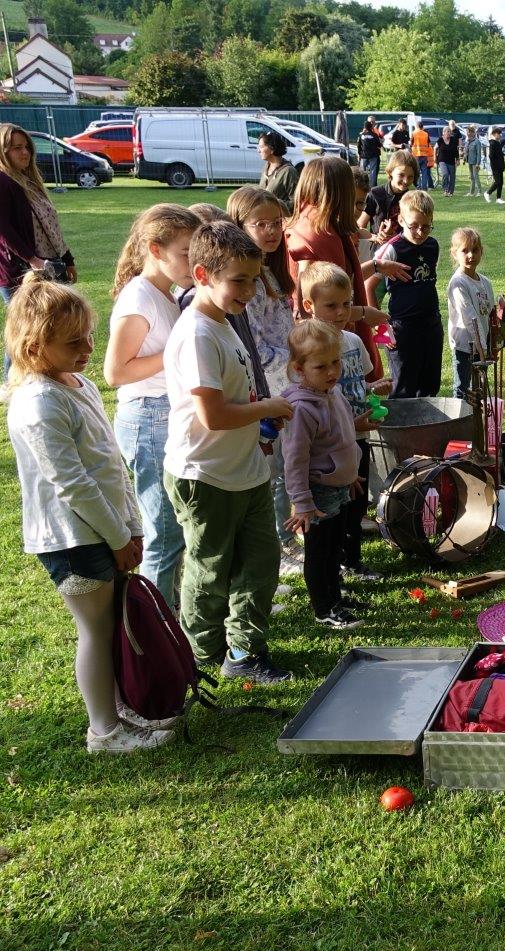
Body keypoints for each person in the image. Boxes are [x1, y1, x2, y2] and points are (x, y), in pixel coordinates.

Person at [5, 272, 174, 754]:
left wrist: (130, 527)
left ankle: (122, 711)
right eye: (72, 342)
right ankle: (104, 730)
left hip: (108, 529)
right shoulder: (39, 403)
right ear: (35, 347)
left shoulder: (76, 383)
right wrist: (117, 537)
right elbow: (73, 483)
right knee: (96, 633)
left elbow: (109, 464)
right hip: (71, 536)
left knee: (113, 626)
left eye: (89, 337)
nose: (87, 349)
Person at [162, 221, 295, 685]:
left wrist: (261, 422)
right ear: (202, 273)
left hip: (246, 469)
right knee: (211, 571)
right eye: (238, 280)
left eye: (255, 278)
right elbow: (213, 416)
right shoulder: (198, 333)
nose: (250, 289)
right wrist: (269, 406)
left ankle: (244, 652)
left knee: (260, 563)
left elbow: (234, 400)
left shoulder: (223, 321)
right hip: (205, 475)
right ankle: (200, 654)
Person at [104, 203, 201, 609]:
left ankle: (172, 616)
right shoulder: (140, 297)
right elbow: (116, 371)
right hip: (148, 417)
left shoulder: (168, 293)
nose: (192, 263)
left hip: (167, 413)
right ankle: (158, 633)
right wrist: (177, 353)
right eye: (185, 253)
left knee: (175, 530)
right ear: (155, 250)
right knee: (163, 534)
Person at [300, 261, 389, 585]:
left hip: (359, 439)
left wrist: (373, 389)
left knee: (357, 503)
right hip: (331, 446)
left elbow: (357, 384)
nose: (340, 312)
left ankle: (353, 560)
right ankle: (333, 565)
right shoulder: (308, 349)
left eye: (346, 304)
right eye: (331, 305)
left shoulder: (352, 341)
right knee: (334, 511)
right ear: (309, 306)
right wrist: (353, 425)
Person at [284, 157, 406, 382]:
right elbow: (309, 304)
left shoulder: (322, 226)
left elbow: (335, 280)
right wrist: (361, 313)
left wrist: (376, 266)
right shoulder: (313, 234)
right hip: (325, 346)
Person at [0, 123, 77, 399]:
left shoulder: (27, 179)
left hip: (43, 262)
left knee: (46, 322)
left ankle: (43, 375)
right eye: (17, 148)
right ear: (1, 150)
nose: (25, 153)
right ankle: (9, 384)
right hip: (13, 268)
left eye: (27, 148)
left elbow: (50, 224)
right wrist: (32, 260)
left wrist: (66, 258)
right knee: (26, 325)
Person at [228, 186, 299, 561]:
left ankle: (284, 540)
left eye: (277, 223)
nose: (272, 231)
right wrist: (295, 364)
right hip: (266, 388)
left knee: (286, 467)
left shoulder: (269, 270)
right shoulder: (246, 282)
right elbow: (253, 343)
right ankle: (277, 545)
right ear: (239, 225)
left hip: (287, 385)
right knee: (271, 471)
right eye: (261, 224)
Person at [281, 318, 367, 630]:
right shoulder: (303, 409)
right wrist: (302, 502)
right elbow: (295, 460)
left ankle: (336, 597)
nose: (332, 372)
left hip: (338, 487)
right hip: (317, 494)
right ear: (299, 369)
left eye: (335, 362)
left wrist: (350, 474)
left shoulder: (331, 393)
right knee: (320, 552)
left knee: (334, 548)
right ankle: (324, 607)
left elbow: (342, 439)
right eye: (321, 366)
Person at [375, 189, 441, 398]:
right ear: (401, 220)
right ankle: (402, 428)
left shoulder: (432, 245)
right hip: (402, 328)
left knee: (429, 384)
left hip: (431, 323)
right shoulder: (392, 249)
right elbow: (369, 286)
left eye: (426, 226)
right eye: (414, 226)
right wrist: (381, 328)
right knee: (404, 386)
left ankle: (427, 427)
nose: (421, 232)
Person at [446, 227, 494, 400]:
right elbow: (470, 318)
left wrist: (491, 343)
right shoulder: (458, 283)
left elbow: (489, 314)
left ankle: (476, 425)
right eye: (464, 251)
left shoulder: (485, 282)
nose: (470, 255)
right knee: (463, 389)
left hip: (483, 345)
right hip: (465, 346)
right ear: (454, 253)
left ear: (481, 252)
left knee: (480, 387)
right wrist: (481, 349)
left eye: (475, 250)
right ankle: (460, 424)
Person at [257, 130, 298, 213]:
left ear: (272, 148)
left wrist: (275, 205)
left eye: (261, 147)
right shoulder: (266, 167)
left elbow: (297, 202)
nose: (258, 151)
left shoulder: (289, 172)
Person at [358, 116, 384, 187]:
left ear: (375, 122)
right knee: (366, 171)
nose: (372, 123)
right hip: (371, 155)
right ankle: (363, 185)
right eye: (370, 122)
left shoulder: (375, 131)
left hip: (370, 155)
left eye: (373, 121)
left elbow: (359, 145)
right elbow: (378, 144)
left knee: (372, 172)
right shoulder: (364, 133)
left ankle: (372, 186)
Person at [435, 126, 459, 197]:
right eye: (447, 131)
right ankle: (445, 189)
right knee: (445, 174)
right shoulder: (440, 140)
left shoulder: (453, 139)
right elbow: (435, 148)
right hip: (442, 160)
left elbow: (455, 150)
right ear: (443, 132)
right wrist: (434, 158)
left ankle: (450, 192)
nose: (448, 133)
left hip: (451, 161)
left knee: (452, 176)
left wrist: (457, 159)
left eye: (449, 131)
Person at [411, 119, 434, 191]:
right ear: (422, 127)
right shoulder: (426, 134)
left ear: (417, 126)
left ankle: (418, 186)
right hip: (424, 155)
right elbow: (428, 144)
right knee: (424, 172)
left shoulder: (413, 133)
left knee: (417, 171)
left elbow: (411, 143)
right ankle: (424, 187)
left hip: (416, 155)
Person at [486, 126, 505, 204]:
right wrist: (495, 165)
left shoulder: (497, 143)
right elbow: (491, 156)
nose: (500, 135)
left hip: (500, 166)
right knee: (497, 182)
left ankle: (498, 198)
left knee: (501, 182)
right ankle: (487, 193)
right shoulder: (493, 143)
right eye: (499, 133)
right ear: (494, 134)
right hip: (496, 167)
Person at [464, 125, 484, 198]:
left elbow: (479, 153)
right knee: (472, 177)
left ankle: (479, 192)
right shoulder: (468, 141)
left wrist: (478, 164)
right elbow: (466, 151)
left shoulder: (477, 142)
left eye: (469, 132)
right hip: (469, 161)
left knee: (476, 177)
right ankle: (471, 192)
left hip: (475, 162)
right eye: (467, 132)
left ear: (473, 133)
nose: (467, 133)